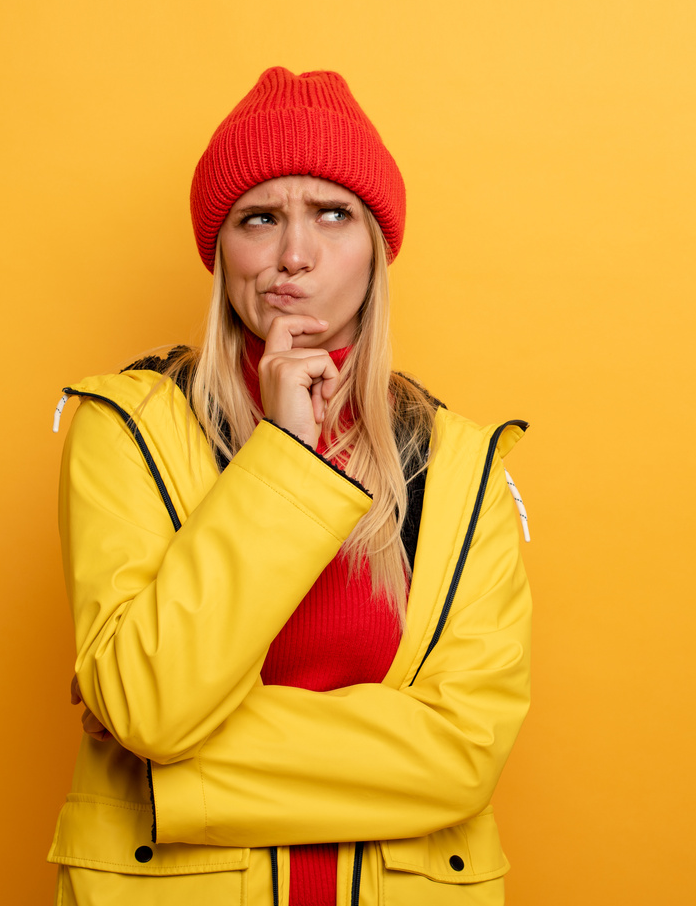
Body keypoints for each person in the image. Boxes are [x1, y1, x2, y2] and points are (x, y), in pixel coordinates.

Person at [45, 67, 532, 906]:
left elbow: (463, 755)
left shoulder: (461, 465)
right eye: (259, 218)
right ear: (221, 249)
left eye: (333, 214)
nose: (292, 256)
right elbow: (151, 705)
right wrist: (285, 454)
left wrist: (173, 765)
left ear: (377, 248)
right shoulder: (125, 428)